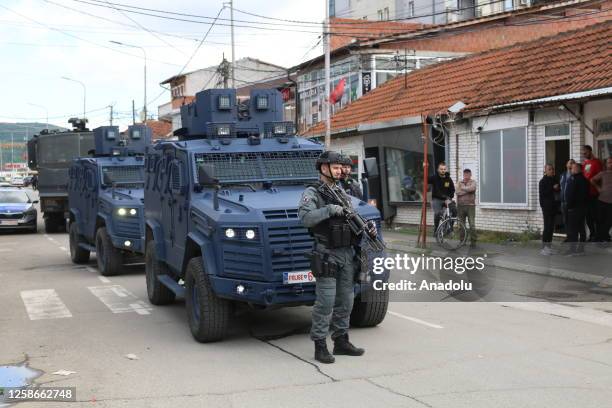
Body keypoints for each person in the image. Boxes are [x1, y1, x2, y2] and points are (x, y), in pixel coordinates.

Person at [298, 150, 371, 364]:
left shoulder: (341, 192)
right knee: (326, 302)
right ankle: (320, 345)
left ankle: (341, 340)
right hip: (327, 253)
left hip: (347, 252)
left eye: (342, 168)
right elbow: (305, 218)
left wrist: (365, 228)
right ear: (324, 168)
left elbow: (350, 218)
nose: (341, 171)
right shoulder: (313, 193)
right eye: (336, 167)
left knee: (346, 300)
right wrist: (329, 209)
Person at [564, 162, 589, 256]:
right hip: (583, 208)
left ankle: (572, 250)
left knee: (572, 230)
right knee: (581, 228)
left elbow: (570, 195)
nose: (571, 170)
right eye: (571, 168)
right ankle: (581, 249)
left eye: (573, 168)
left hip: (573, 209)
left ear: (578, 169)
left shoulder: (573, 179)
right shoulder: (585, 180)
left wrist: (569, 207)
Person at [581, 145, 603, 241]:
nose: (584, 154)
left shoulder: (597, 162)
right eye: (582, 153)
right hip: (586, 194)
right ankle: (592, 234)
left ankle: (598, 235)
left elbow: (601, 177)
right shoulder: (585, 163)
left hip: (594, 194)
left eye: (585, 152)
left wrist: (600, 190)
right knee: (588, 217)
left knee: (596, 216)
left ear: (590, 151)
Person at [428, 162, 455, 235]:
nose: (443, 170)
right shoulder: (434, 177)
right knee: (437, 214)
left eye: (444, 169)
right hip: (437, 199)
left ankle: (449, 228)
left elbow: (452, 189)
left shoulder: (448, 179)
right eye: (441, 169)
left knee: (454, 210)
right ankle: (436, 230)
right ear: (438, 170)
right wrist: (425, 168)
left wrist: (449, 198)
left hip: (446, 199)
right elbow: (426, 180)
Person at [590, 156, 612, 244]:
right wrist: (598, 188)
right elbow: (592, 180)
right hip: (602, 200)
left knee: (609, 221)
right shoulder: (603, 173)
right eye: (609, 162)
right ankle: (601, 239)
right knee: (600, 221)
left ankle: (604, 237)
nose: (611, 164)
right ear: (606, 164)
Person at [539, 164, 560, 255]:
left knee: (551, 228)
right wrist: (552, 188)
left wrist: (557, 188)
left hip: (554, 206)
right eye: (549, 169)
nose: (552, 171)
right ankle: (544, 248)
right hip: (546, 207)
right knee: (547, 227)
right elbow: (543, 194)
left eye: (552, 169)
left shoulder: (555, 180)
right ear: (545, 171)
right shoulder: (542, 181)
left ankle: (549, 247)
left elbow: (558, 191)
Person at [456, 168, 477, 247]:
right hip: (460, 206)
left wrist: (463, 189)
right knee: (462, 225)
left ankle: (473, 242)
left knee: (472, 224)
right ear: (463, 174)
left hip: (470, 206)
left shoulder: (473, 182)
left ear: (470, 175)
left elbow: (472, 188)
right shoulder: (459, 182)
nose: (466, 176)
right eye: (465, 174)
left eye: (468, 174)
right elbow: (457, 192)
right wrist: (468, 191)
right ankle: (462, 241)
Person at [560, 159, 575, 235]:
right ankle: (568, 236)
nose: (571, 165)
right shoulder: (563, 175)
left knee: (572, 220)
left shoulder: (575, 175)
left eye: (573, 163)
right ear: (566, 165)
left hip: (572, 202)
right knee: (565, 219)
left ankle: (572, 236)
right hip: (563, 201)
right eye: (570, 163)